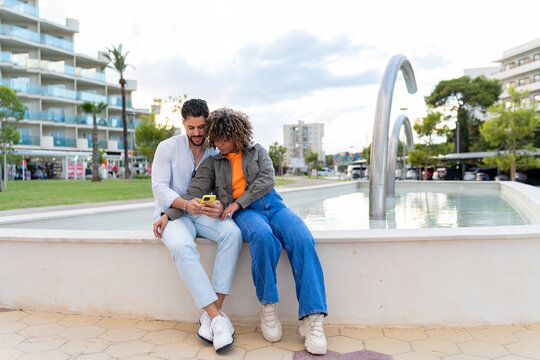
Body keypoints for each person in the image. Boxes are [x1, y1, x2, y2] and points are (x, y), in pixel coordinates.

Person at [155, 108, 328, 355]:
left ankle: (313, 319)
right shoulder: (213, 162)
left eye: (223, 139)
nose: (217, 144)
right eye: (215, 139)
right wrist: (167, 215)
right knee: (262, 237)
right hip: (249, 214)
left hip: (274, 205)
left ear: (237, 135)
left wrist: (237, 202)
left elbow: (267, 180)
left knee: (302, 239)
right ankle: (268, 307)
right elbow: (194, 191)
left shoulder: (258, 152)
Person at [151, 99, 243, 352]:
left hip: (203, 213)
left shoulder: (216, 151)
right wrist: (182, 205)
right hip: (172, 215)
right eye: (191, 128)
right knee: (181, 246)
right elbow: (159, 187)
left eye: (201, 127)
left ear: (207, 124)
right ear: (183, 124)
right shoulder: (166, 147)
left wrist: (220, 205)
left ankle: (211, 315)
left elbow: (224, 188)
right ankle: (217, 319)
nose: (197, 133)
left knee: (233, 234)